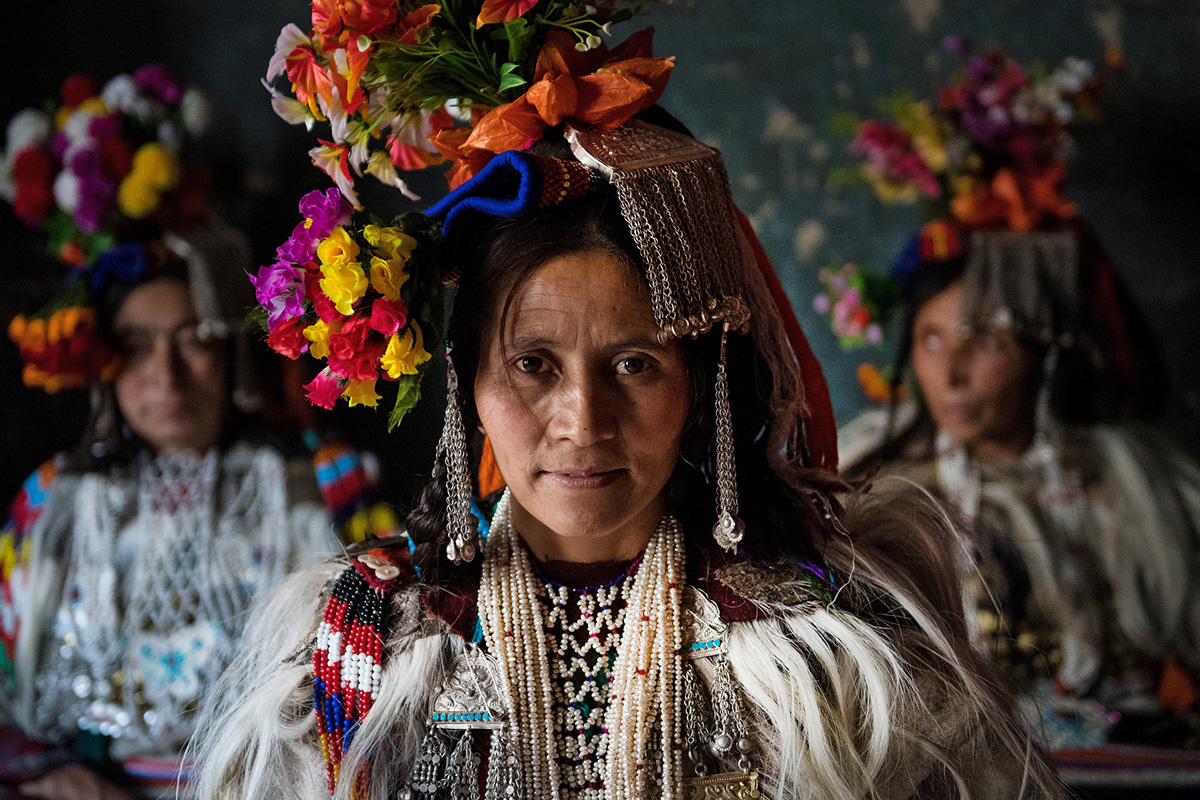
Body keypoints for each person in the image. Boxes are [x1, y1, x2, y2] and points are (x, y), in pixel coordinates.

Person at [192, 7, 1063, 796]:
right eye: (533, 363)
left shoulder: (828, 646)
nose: (582, 421)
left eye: (636, 364)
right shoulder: (361, 642)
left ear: (702, 381)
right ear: (467, 387)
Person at [0, 67, 372, 799]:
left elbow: (368, 695)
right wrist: (51, 775)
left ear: (232, 348)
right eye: (136, 346)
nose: (164, 376)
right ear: (104, 362)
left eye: (193, 338)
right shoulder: (52, 503)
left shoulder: (324, 486)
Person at [836, 43, 1200, 758]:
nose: (953, 373)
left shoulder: (1140, 495)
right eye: (932, 342)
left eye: (987, 342)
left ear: (1047, 352)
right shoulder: (869, 485)